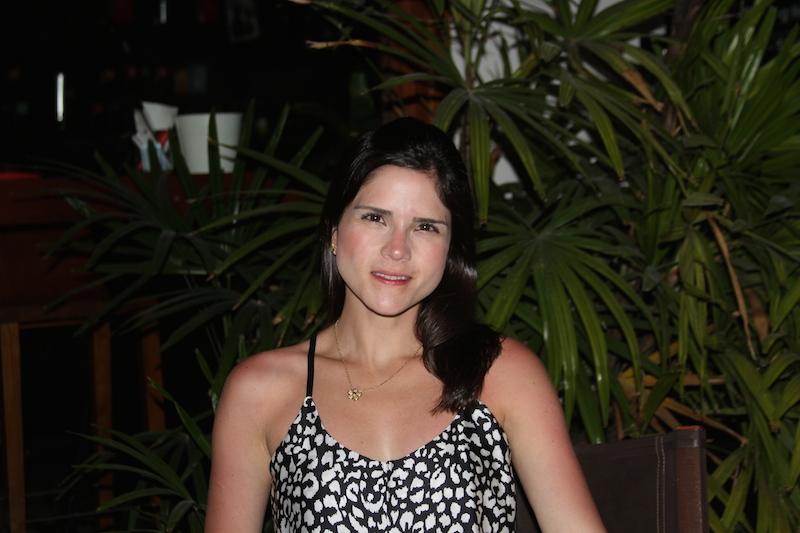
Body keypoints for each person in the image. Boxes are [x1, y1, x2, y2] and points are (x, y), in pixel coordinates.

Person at [205, 117, 605, 532]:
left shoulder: (501, 373)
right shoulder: (260, 392)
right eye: (375, 218)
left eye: (425, 226)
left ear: (450, 248)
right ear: (334, 232)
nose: (398, 249)